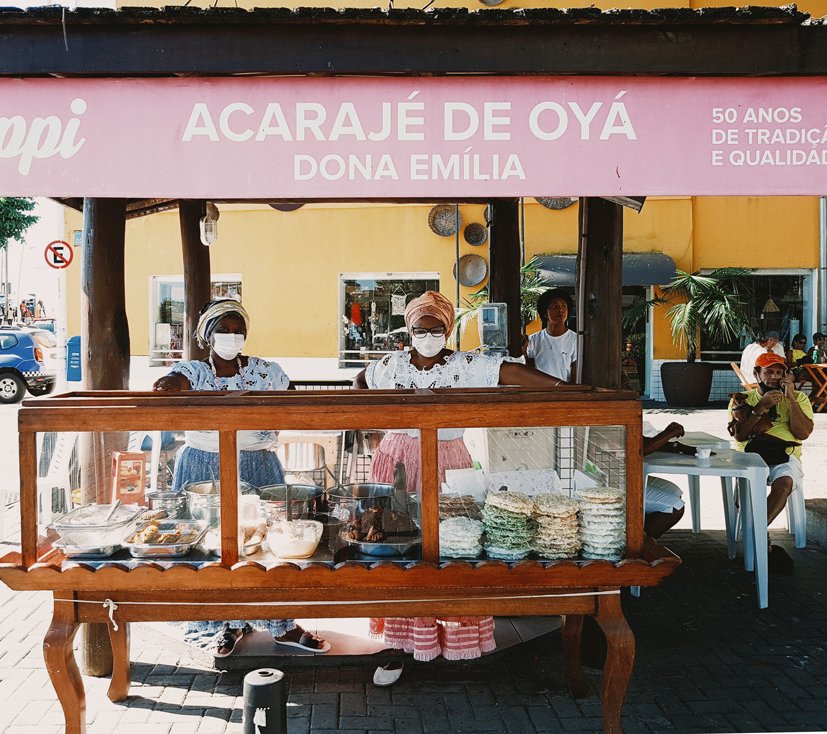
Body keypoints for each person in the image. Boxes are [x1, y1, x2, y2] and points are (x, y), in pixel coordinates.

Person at [352, 291, 567, 678]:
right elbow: (359, 381)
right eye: (421, 329)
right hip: (395, 460)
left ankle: (453, 638)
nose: (428, 336)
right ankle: (401, 644)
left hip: (448, 459)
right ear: (409, 329)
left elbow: (510, 372)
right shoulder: (391, 364)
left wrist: (563, 391)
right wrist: (369, 420)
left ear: (447, 330)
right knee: (400, 547)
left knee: (453, 543)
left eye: (436, 330)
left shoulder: (466, 365)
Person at [152, 298, 329, 658]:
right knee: (215, 545)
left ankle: (282, 624)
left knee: (270, 543)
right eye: (223, 330)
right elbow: (168, 385)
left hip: (258, 464)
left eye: (238, 331)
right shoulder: (196, 371)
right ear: (207, 335)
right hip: (204, 467)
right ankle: (225, 625)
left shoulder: (268, 371)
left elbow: (294, 406)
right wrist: (171, 383)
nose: (232, 337)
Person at [727, 352, 814, 574]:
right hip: (750, 455)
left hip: (785, 453)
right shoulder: (742, 399)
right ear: (757, 374)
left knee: (784, 482)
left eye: (779, 372)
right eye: (768, 372)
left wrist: (791, 398)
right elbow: (740, 437)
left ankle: (756, 531)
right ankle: (760, 537)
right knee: (746, 491)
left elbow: (802, 433)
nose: (774, 377)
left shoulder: (799, 399)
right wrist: (760, 408)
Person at [641, 421, 692, 539]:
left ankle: (638, 532)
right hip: (608, 481)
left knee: (675, 492)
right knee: (674, 507)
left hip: (622, 475)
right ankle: (637, 546)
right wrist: (669, 433)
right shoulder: (610, 413)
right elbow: (641, 449)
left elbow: (642, 441)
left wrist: (678, 447)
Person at [523, 289, 577, 382]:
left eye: (564, 306)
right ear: (545, 313)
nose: (560, 310)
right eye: (554, 306)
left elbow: (576, 376)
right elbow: (529, 371)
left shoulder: (575, 340)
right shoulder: (534, 339)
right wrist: (524, 350)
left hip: (565, 392)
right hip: (539, 392)